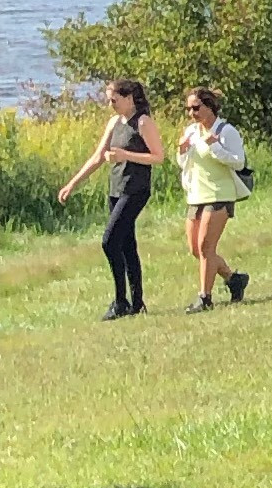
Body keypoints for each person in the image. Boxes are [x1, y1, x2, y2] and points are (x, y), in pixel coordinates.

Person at [56, 77, 162, 318]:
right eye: (109, 100)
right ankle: (136, 303)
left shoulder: (143, 122)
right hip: (116, 188)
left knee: (109, 241)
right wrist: (72, 184)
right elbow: (97, 157)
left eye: (114, 100)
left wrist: (126, 154)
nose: (111, 104)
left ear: (129, 98)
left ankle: (120, 301)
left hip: (135, 189)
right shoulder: (114, 122)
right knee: (126, 245)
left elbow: (158, 157)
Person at [174, 84, 253, 310]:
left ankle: (204, 297)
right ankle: (233, 279)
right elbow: (184, 164)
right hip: (196, 194)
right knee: (195, 249)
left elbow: (238, 161)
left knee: (207, 246)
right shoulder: (191, 131)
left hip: (220, 193)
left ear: (209, 107)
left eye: (196, 108)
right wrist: (181, 151)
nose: (192, 114)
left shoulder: (226, 131)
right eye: (188, 109)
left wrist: (215, 146)